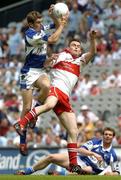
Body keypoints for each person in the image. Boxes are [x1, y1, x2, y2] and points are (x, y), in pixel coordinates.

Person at [14, 30, 97, 174]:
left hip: (65, 97)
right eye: (74, 45)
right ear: (68, 47)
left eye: (78, 46)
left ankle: (73, 164)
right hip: (55, 89)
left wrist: (92, 39)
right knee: (49, 104)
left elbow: (92, 52)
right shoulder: (60, 56)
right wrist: (48, 60)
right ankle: (21, 123)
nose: (77, 47)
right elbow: (44, 65)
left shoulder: (81, 61)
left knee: (73, 131)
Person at [14, 7, 69, 156]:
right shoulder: (31, 34)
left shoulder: (40, 27)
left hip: (39, 70)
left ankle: (35, 111)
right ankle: (23, 141)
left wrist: (56, 17)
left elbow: (54, 26)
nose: (40, 24)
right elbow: (53, 39)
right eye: (38, 22)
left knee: (47, 87)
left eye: (41, 21)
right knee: (26, 108)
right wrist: (62, 24)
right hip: (28, 72)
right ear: (32, 24)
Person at [15, 127, 120, 176]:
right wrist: (93, 153)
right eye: (106, 134)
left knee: (85, 170)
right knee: (50, 157)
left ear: (113, 137)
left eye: (110, 135)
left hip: (89, 169)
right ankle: (26, 172)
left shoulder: (113, 155)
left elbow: (117, 172)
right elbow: (80, 149)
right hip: (79, 159)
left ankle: (59, 174)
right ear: (103, 135)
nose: (107, 136)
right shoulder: (95, 142)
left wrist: (110, 174)